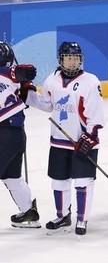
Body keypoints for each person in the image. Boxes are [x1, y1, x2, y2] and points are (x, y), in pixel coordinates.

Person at [25, 41, 104, 235]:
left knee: (83, 181)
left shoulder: (91, 82)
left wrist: (90, 137)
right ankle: (62, 216)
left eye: (75, 58)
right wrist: (26, 92)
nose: (72, 62)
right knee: (59, 181)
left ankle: (82, 219)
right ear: (61, 59)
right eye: (68, 58)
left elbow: (96, 115)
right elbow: (47, 105)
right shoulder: (51, 79)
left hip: (83, 140)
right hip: (59, 140)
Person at [0, 41, 41, 229]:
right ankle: (28, 213)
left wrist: (24, 76)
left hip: (5, 134)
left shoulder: (6, 74)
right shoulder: (9, 76)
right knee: (12, 177)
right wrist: (25, 82)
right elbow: (21, 74)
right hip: (16, 135)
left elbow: (22, 72)